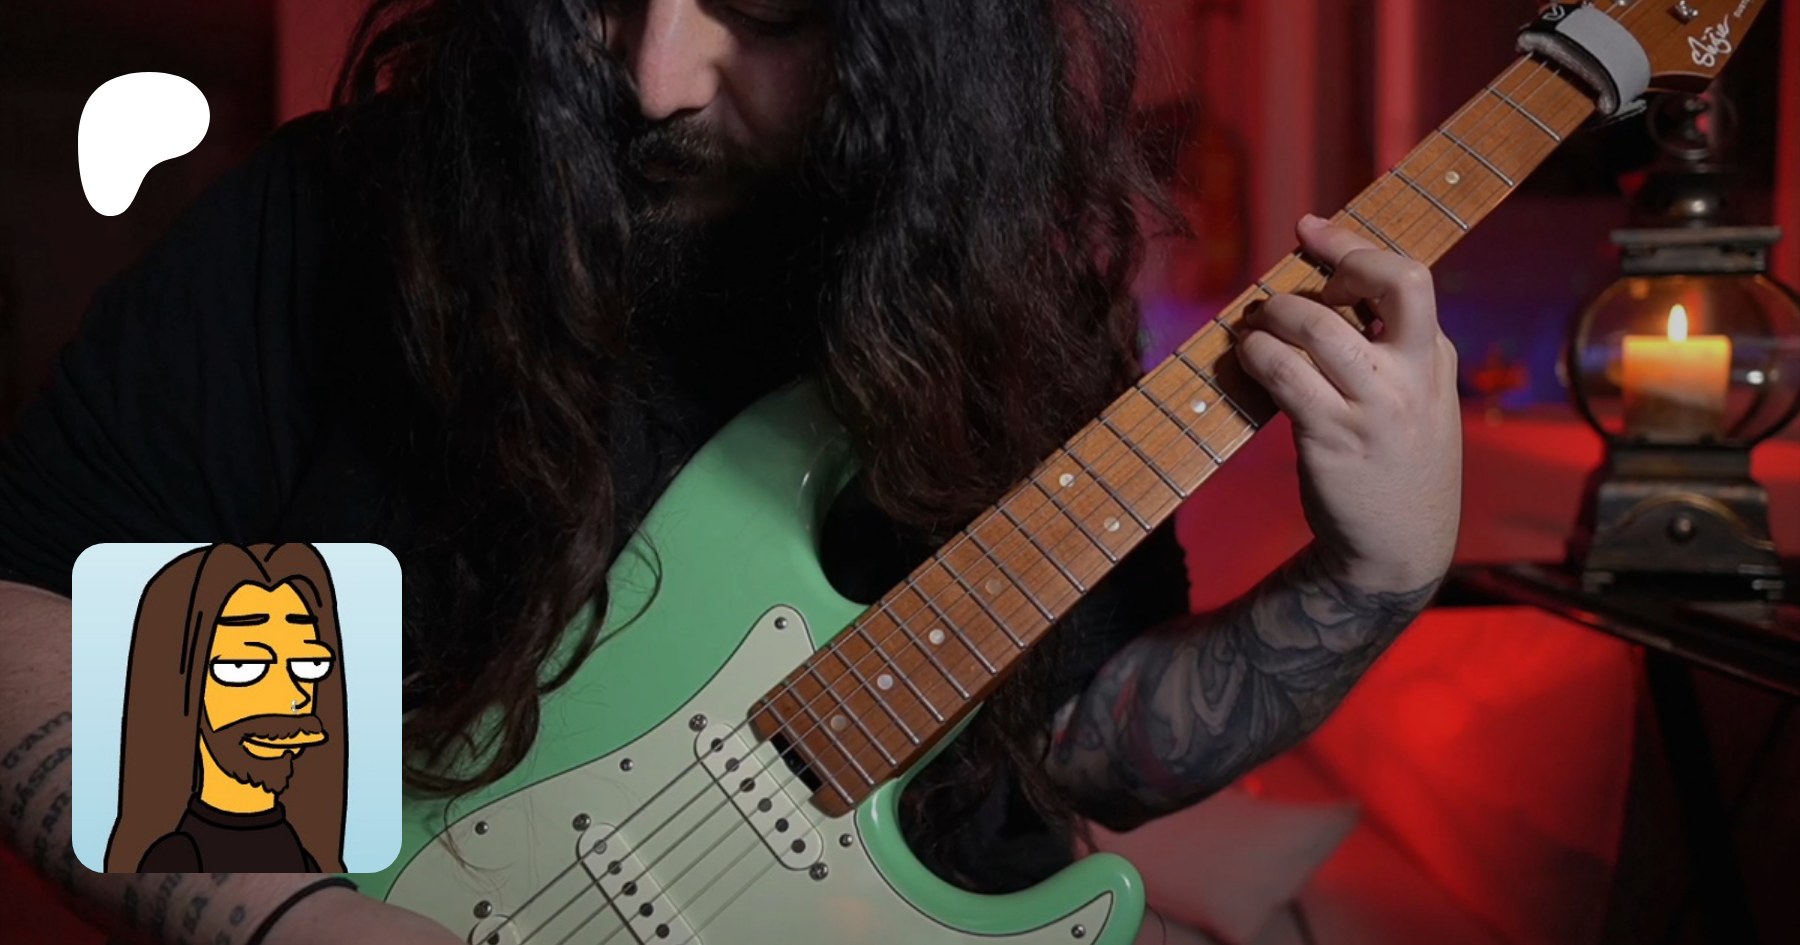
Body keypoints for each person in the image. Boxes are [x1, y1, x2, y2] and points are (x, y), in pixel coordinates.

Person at [0, 0, 1461, 943]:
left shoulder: (999, 299)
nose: (652, 80)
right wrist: (301, 916)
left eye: (767, 13)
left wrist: (1371, 577)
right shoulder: (347, 223)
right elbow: (43, 602)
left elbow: (1077, 743)